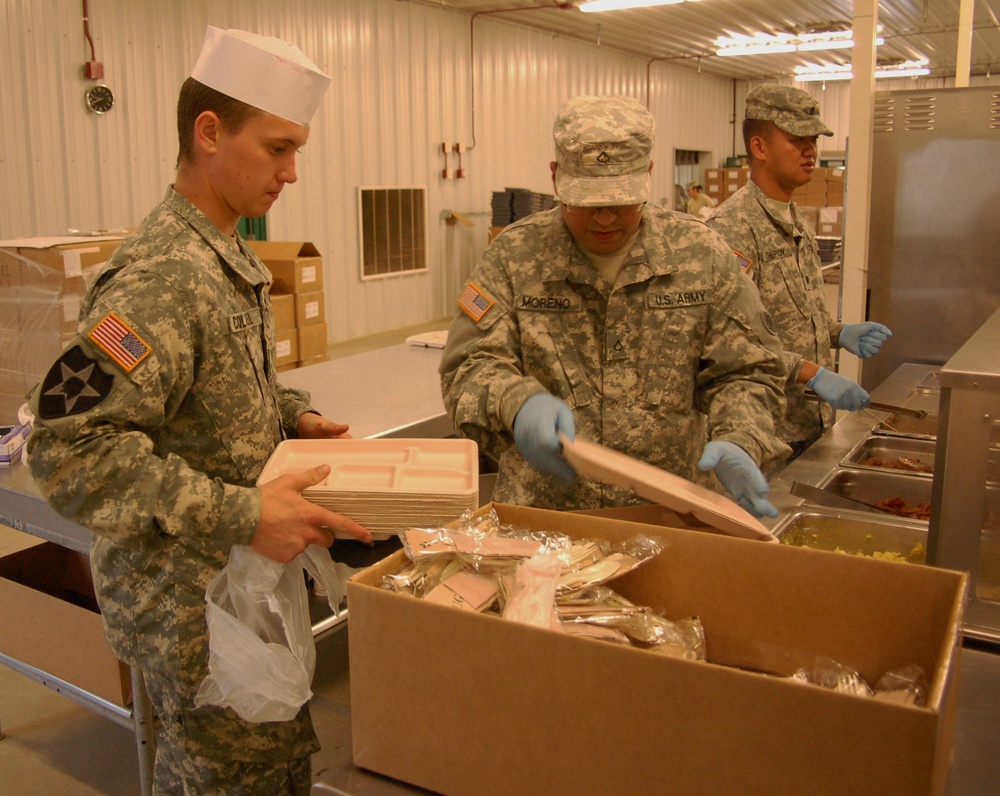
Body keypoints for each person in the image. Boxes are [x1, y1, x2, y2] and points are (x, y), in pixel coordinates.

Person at [25, 26, 371, 794]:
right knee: (231, 777)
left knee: (269, 765)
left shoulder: (226, 251)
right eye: (277, 148)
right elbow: (67, 452)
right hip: (185, 601)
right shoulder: (160, 277)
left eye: (297, 151)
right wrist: (242, 513)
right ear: (209, 133)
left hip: (233, 582)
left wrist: (294, 414)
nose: (290, 172)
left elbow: (213, 385)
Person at [440, 95, 791, 518]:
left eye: (621, 200)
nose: (604, 219)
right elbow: (468, 368)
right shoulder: (513, 257)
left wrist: (742, 436)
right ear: (555, 178)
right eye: (586, 201)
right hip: (546, 521)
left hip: (670, 516)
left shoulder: (702, 255)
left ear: (649, 173)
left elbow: (749, 369)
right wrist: (516, 402)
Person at [707, 84, 892, 457]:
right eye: (797, 140)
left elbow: (791, 316)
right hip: (766, 434)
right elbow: (733, 344)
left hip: (810, 423)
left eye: (814, 139)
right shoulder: (731, 228)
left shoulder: (796, 219)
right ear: (759, 147)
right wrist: (812, 373)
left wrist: (836, 332)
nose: (811, 151)